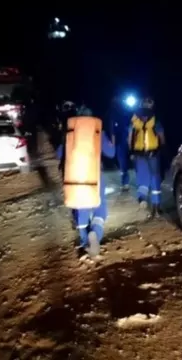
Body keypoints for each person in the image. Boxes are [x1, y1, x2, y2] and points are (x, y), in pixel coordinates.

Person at [57, 105, 115, 256]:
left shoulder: (71, 131)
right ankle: (95, 233)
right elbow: (111, 152)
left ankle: (84, 243)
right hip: (95, 174)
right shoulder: (97, 130)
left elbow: (59, 154)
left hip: (75, 175)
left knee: (80, 209)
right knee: (100, 208)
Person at [128, 97, 165, 220]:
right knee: (155, 178)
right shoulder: (155, 118)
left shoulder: (134, 118)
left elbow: (130, 137)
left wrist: (131, 151)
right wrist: (162, 148)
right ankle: (156, 208)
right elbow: (161, 135)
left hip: (138, 153)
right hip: (153, 153)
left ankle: (142, 198)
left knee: (142, 177)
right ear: (151, 105)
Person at [108, 95, 132, 190]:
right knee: (124, 161)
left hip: (120, 141)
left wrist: (113, 143)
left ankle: (125, 182)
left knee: (122, 162)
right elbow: (130, 127)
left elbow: (113, 130)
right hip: (126, 139)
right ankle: (125, 182)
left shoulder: (114, 113)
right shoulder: (126, 112)